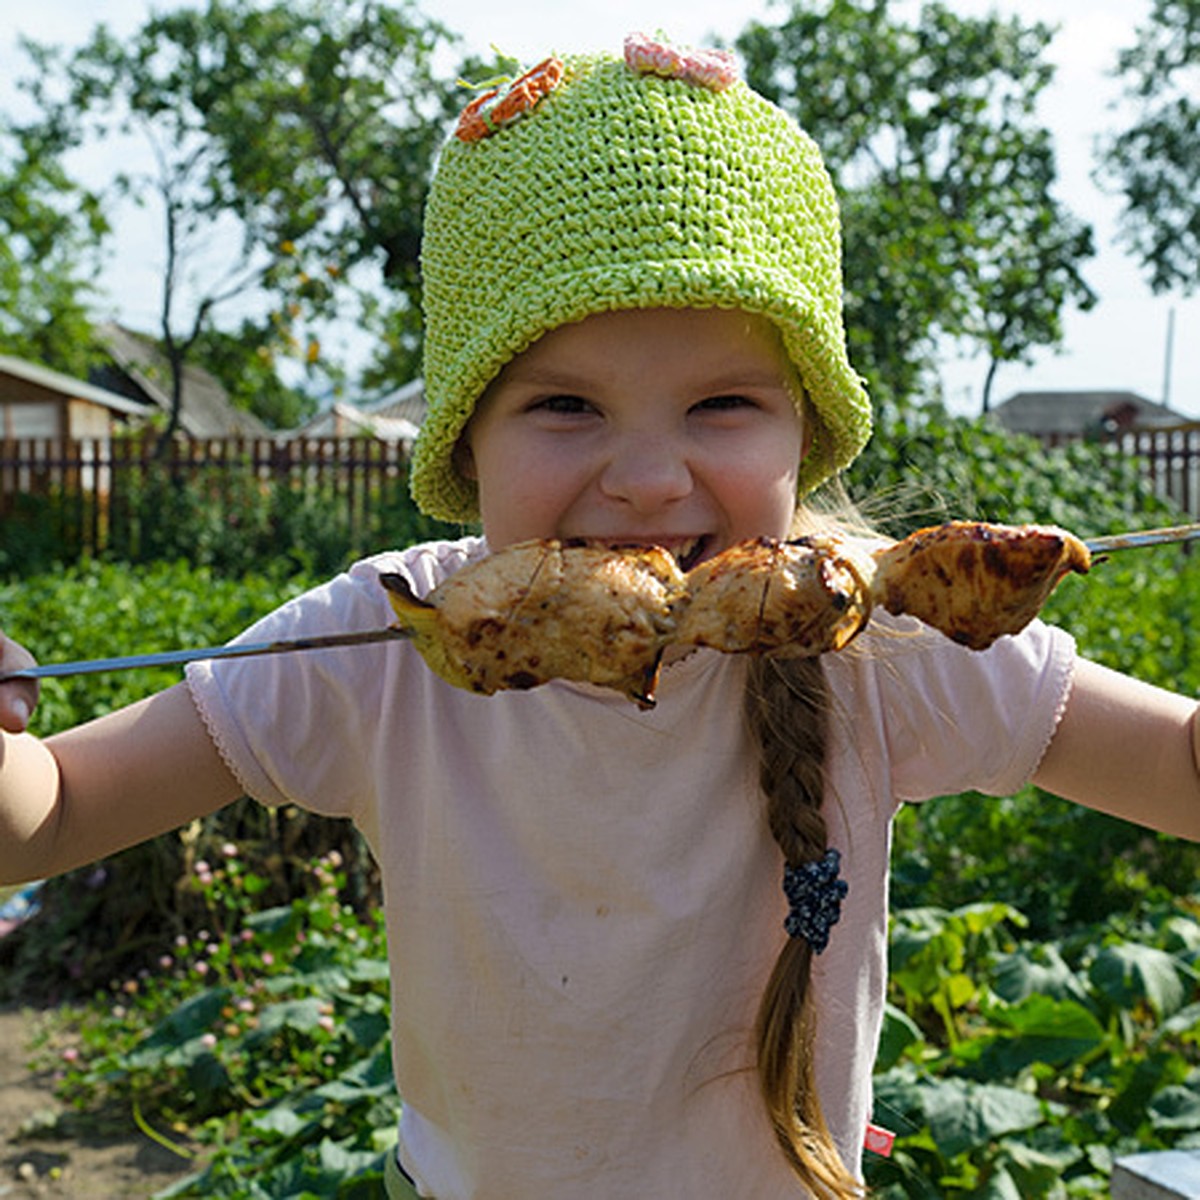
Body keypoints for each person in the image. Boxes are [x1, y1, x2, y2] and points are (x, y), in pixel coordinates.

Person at [1, 36, 1198, 1200]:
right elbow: (47, 817)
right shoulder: (388, 645)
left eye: (722, 404)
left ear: (804, 431)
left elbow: (1176, 772)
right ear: (467, 442)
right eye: (565, 405)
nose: (647, 479)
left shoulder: (881, 638)